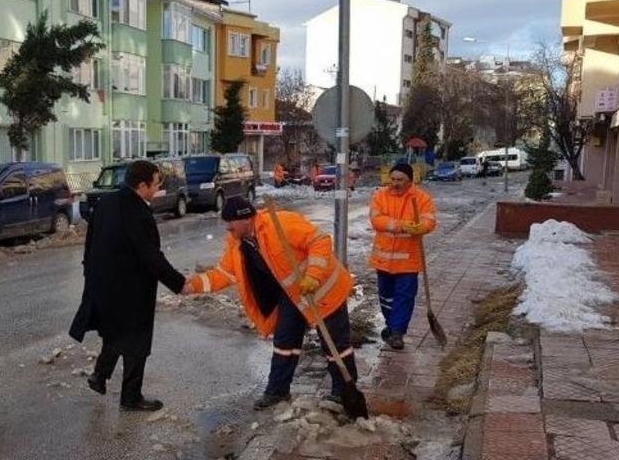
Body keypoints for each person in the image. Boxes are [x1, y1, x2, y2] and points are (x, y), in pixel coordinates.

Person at [183, 197, 357, 410]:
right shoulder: (236, 242)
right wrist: (193, 286)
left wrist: (313, 275)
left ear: (246, 219)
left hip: (323, 290)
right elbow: (224, 273)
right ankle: (277, 391)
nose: (227, 227)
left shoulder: (280, 223)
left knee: (335, 344)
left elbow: (319, 241)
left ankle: (344, 392)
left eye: (231, 222)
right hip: (292, 295)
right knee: (285, 341)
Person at [69, 160, 187, 412]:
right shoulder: (138, 212)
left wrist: (90, 274)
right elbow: (150, 256)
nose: (158, 189)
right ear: (142, 185)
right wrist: (178, 283)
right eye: (156, 184)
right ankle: (130, 397)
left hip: (105, 285)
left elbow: (90, 243)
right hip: (132, 288)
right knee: (137, 343)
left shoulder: (106, 202)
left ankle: (100, 376)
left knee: (115, 333)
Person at [368, 164, 437, 350]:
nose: (395, 183)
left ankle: (398, 332)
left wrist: (421, 227)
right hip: (383, 259)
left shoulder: (421, 198)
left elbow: (429, 220)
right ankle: (391, 326)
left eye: (400, 180)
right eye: (393, 179)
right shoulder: (380, 195)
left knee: (404, 297)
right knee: (386, 297)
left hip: (408, 260)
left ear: (410, 181)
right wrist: (402, 226)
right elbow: (376, 220)